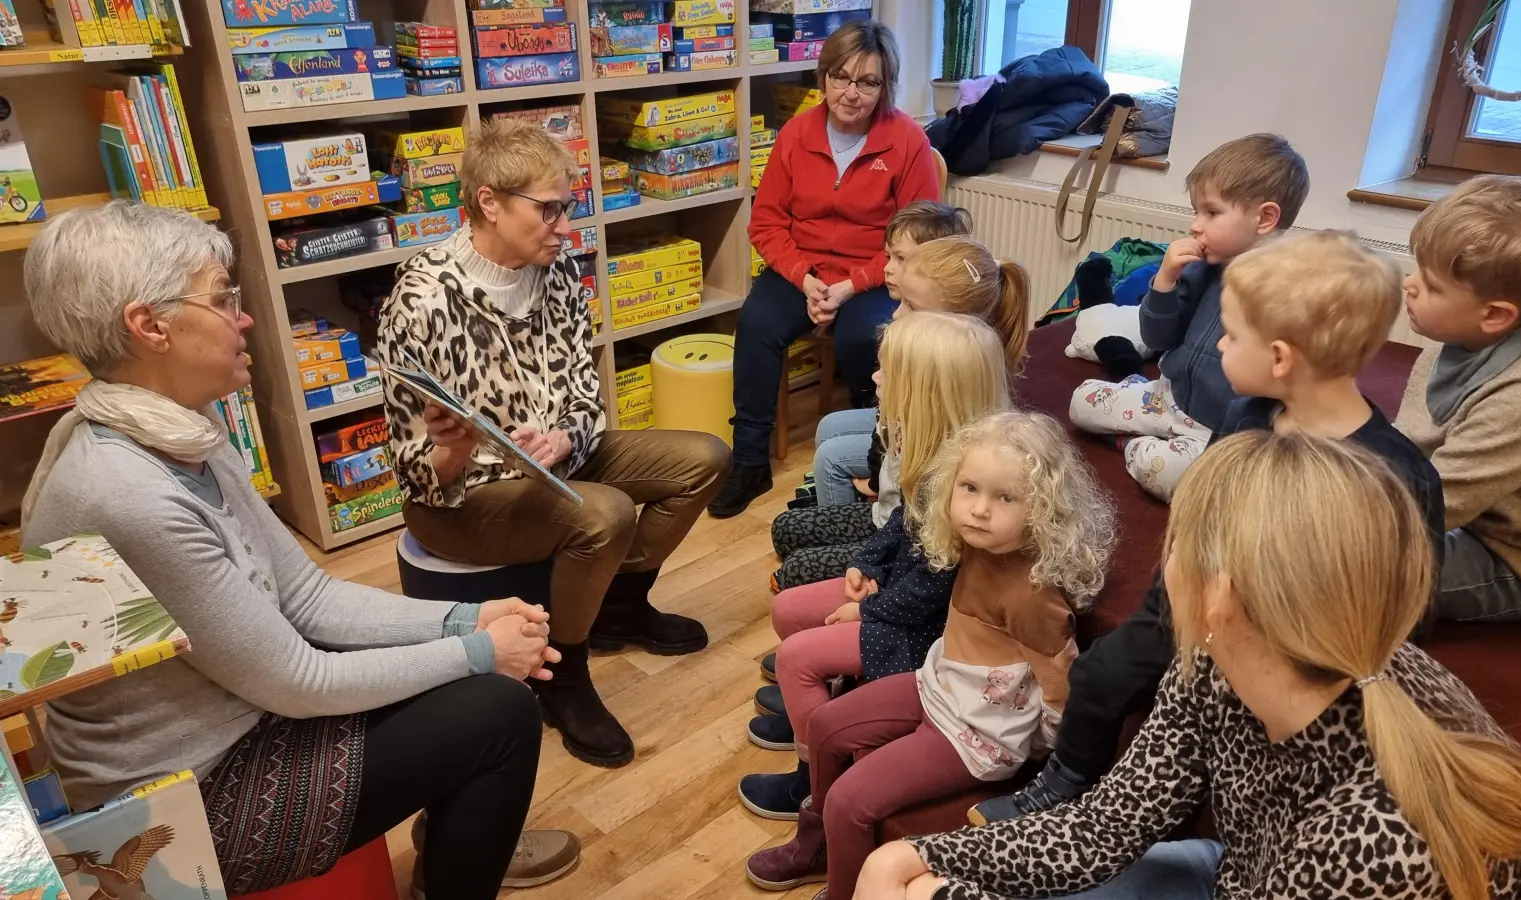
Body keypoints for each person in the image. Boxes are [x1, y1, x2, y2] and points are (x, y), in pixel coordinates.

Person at [20, 201, 578, 899]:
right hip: (184, 802)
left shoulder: (171, 428)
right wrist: (482, 652)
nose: (243, 317)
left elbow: (306, 596)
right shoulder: (126, 491)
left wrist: (468, 618)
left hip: (232, 722)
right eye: (222, 299)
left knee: (466, 680)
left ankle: (461, 841)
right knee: (497, 711)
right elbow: (298, 680)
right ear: (149, 325)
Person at [861, 432, 1521, 900]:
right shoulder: (1214, 663)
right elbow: (1108, 823)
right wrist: (928, 856)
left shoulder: (1373, 842)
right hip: (1241, 878)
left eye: (1174, 546)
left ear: (1218, 594)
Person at [974, 229, 1445, 825]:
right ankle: (1069, 782)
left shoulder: (1399, 474)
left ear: (1280, 358)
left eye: (1230, 333)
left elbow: (1407, 614)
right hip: (1195, 597)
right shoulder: (1248, 410)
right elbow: (1205, 506)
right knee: (1099, 672)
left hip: (1292, 647)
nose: (1218, 346)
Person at [377, 119, 730, 769]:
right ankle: (562, 672)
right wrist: (452, 451)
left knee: (707, 458)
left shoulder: (559, 269)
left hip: (561, 459)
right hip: (463, 494)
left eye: (567, 206)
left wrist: (565, 432)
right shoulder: (422, 299)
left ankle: (619, 605)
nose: (565, 225)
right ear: (490, 202)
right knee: (606, 514)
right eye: (549, 208)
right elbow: (414, 474)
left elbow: (585, 392)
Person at [746, 411, 1114, 900]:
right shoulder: (973, 542)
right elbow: (904, 527)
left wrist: (1036, 759)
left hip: (976, 733)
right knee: (825, 726)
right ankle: (817, 845)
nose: (979, 509)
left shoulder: (1032, 594)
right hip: (938, 686)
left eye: (1005, 497)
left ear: (1044, 508)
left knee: (849, 801)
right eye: (969, 488)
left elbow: (1062, 687)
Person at [739, 313, 1013, 820]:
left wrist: (870, 612)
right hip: (897, 597)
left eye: (887, 371)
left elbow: (936, 586)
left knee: (797, 657)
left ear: (925, 388)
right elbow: (899, 528)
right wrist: (867, 562)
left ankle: (815, 782)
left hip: (921, 631)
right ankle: (816, 722)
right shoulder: (933, 451)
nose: (875, 379)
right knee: (789, 609)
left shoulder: (965, 480)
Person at [712, 19, 942, 519]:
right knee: (755, 324)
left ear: (885, 87)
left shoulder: (907, 142)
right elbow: (767, 223)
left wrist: (850, 286)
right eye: (840, 77)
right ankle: (749, 461)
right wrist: (805, 278)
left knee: (867, 336)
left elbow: (921, 240)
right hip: (805, 271)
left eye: (868, 82)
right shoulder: (797, 133)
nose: (851, 93)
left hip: (875, 275)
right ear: (823, 77)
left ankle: (874, 453)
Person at [769, 235, 1031, 593]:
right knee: (785, 528)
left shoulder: (962, 439)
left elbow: (922, 542)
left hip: (904, 543)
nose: (896, 314)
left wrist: (871, 569)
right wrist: (877, 484)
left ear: (955, 321)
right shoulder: (919, 377)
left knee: (795, 570)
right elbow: (887, 452)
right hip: (891, 520)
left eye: (911, 305)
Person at [1396, 174, 1521, 623]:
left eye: (1430, 285)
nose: (1408, 284)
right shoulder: (1455, 336)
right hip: (1459, 504)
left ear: (1494, 315)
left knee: (1337, 567)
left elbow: (1427, 507)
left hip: (1520, 558)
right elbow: (1406, 452)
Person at [1067, 133, 1309, 502]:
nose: (1195, 225)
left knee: (1175, 480)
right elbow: (1157, 338)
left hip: (1219, 431)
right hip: (1168, 397)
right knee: (1080, 403)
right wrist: (1164, 283)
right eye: (1196, 211)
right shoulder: (1201, 269)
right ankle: (1142, 418)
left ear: (1265, 218)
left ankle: (1133, 444)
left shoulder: (1291, 291)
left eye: (1211, 212)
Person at [806, 201, 973, 510]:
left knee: (831, 460)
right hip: (899, 431)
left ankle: (855, 536)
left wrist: (873, 478)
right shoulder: (912, 320)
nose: (887, 268)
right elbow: (887, 415)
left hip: (918, 441)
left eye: (901, 258)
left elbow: (896, 422)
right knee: (828, 426)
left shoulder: (932, 339)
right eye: (888, 256)